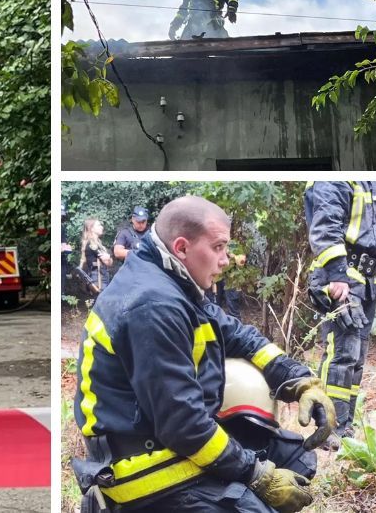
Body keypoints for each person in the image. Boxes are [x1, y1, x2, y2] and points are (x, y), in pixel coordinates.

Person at [71, 196, 334, 513]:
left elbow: (237, 335)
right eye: (218, 247)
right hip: (144, 467)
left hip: (168, 438)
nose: (225, 260)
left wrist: (299, 380)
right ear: (182, 248)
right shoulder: (153, 305)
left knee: (295, 458)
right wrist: (258, 476)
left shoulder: (174, 281)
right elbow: (185, 427)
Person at [304, 181, 376, 451]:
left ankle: (344, 425)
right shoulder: (336, 181)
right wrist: (336, 275)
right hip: (342, 279)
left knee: (356, 359)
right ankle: (328, 427)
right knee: (341, 355)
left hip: (370, 283)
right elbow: (325, 229)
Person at [208, 250, 247, 319]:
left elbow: (241, 261)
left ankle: (234, 327)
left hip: (231, 276)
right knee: (213, 307)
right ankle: (215, 327)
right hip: (214, 275)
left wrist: (229, 252)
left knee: (233, 308)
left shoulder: (237, 242)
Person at [80, 218, 113, 294]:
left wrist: (108, 257)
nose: (102, 227)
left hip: (101, 276)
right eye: (98, 225)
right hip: (98, 278)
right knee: (101, 302)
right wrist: (108, 258)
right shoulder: (92, 245)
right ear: (91, 228)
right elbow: (107, 262)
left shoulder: (98, 244)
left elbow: (109, 262)